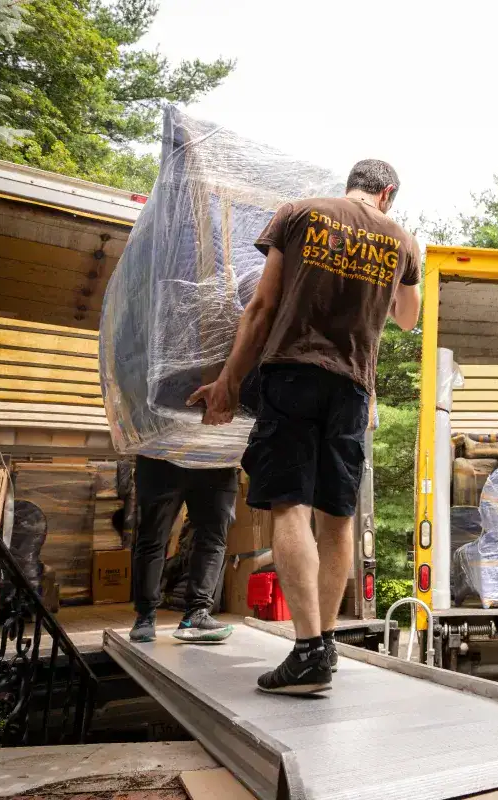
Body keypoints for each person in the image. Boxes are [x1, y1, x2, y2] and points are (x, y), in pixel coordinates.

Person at [189, 160, 421, 694]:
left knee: (288, 505)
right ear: (386, 193)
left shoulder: (298, 214)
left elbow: (262, 306)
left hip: (291, 373)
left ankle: (308, 649)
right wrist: (406, 262)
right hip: (352, 390)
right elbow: (407, 319)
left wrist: (228, 382)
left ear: (353, 184)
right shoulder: (402, 240)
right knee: (337, 516)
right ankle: (328, 644)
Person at [128, 458, 237, 643]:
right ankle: (145, 616)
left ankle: (197, 613)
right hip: (162, 456)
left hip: (217, 459)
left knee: (213, 536)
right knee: (152, 536)